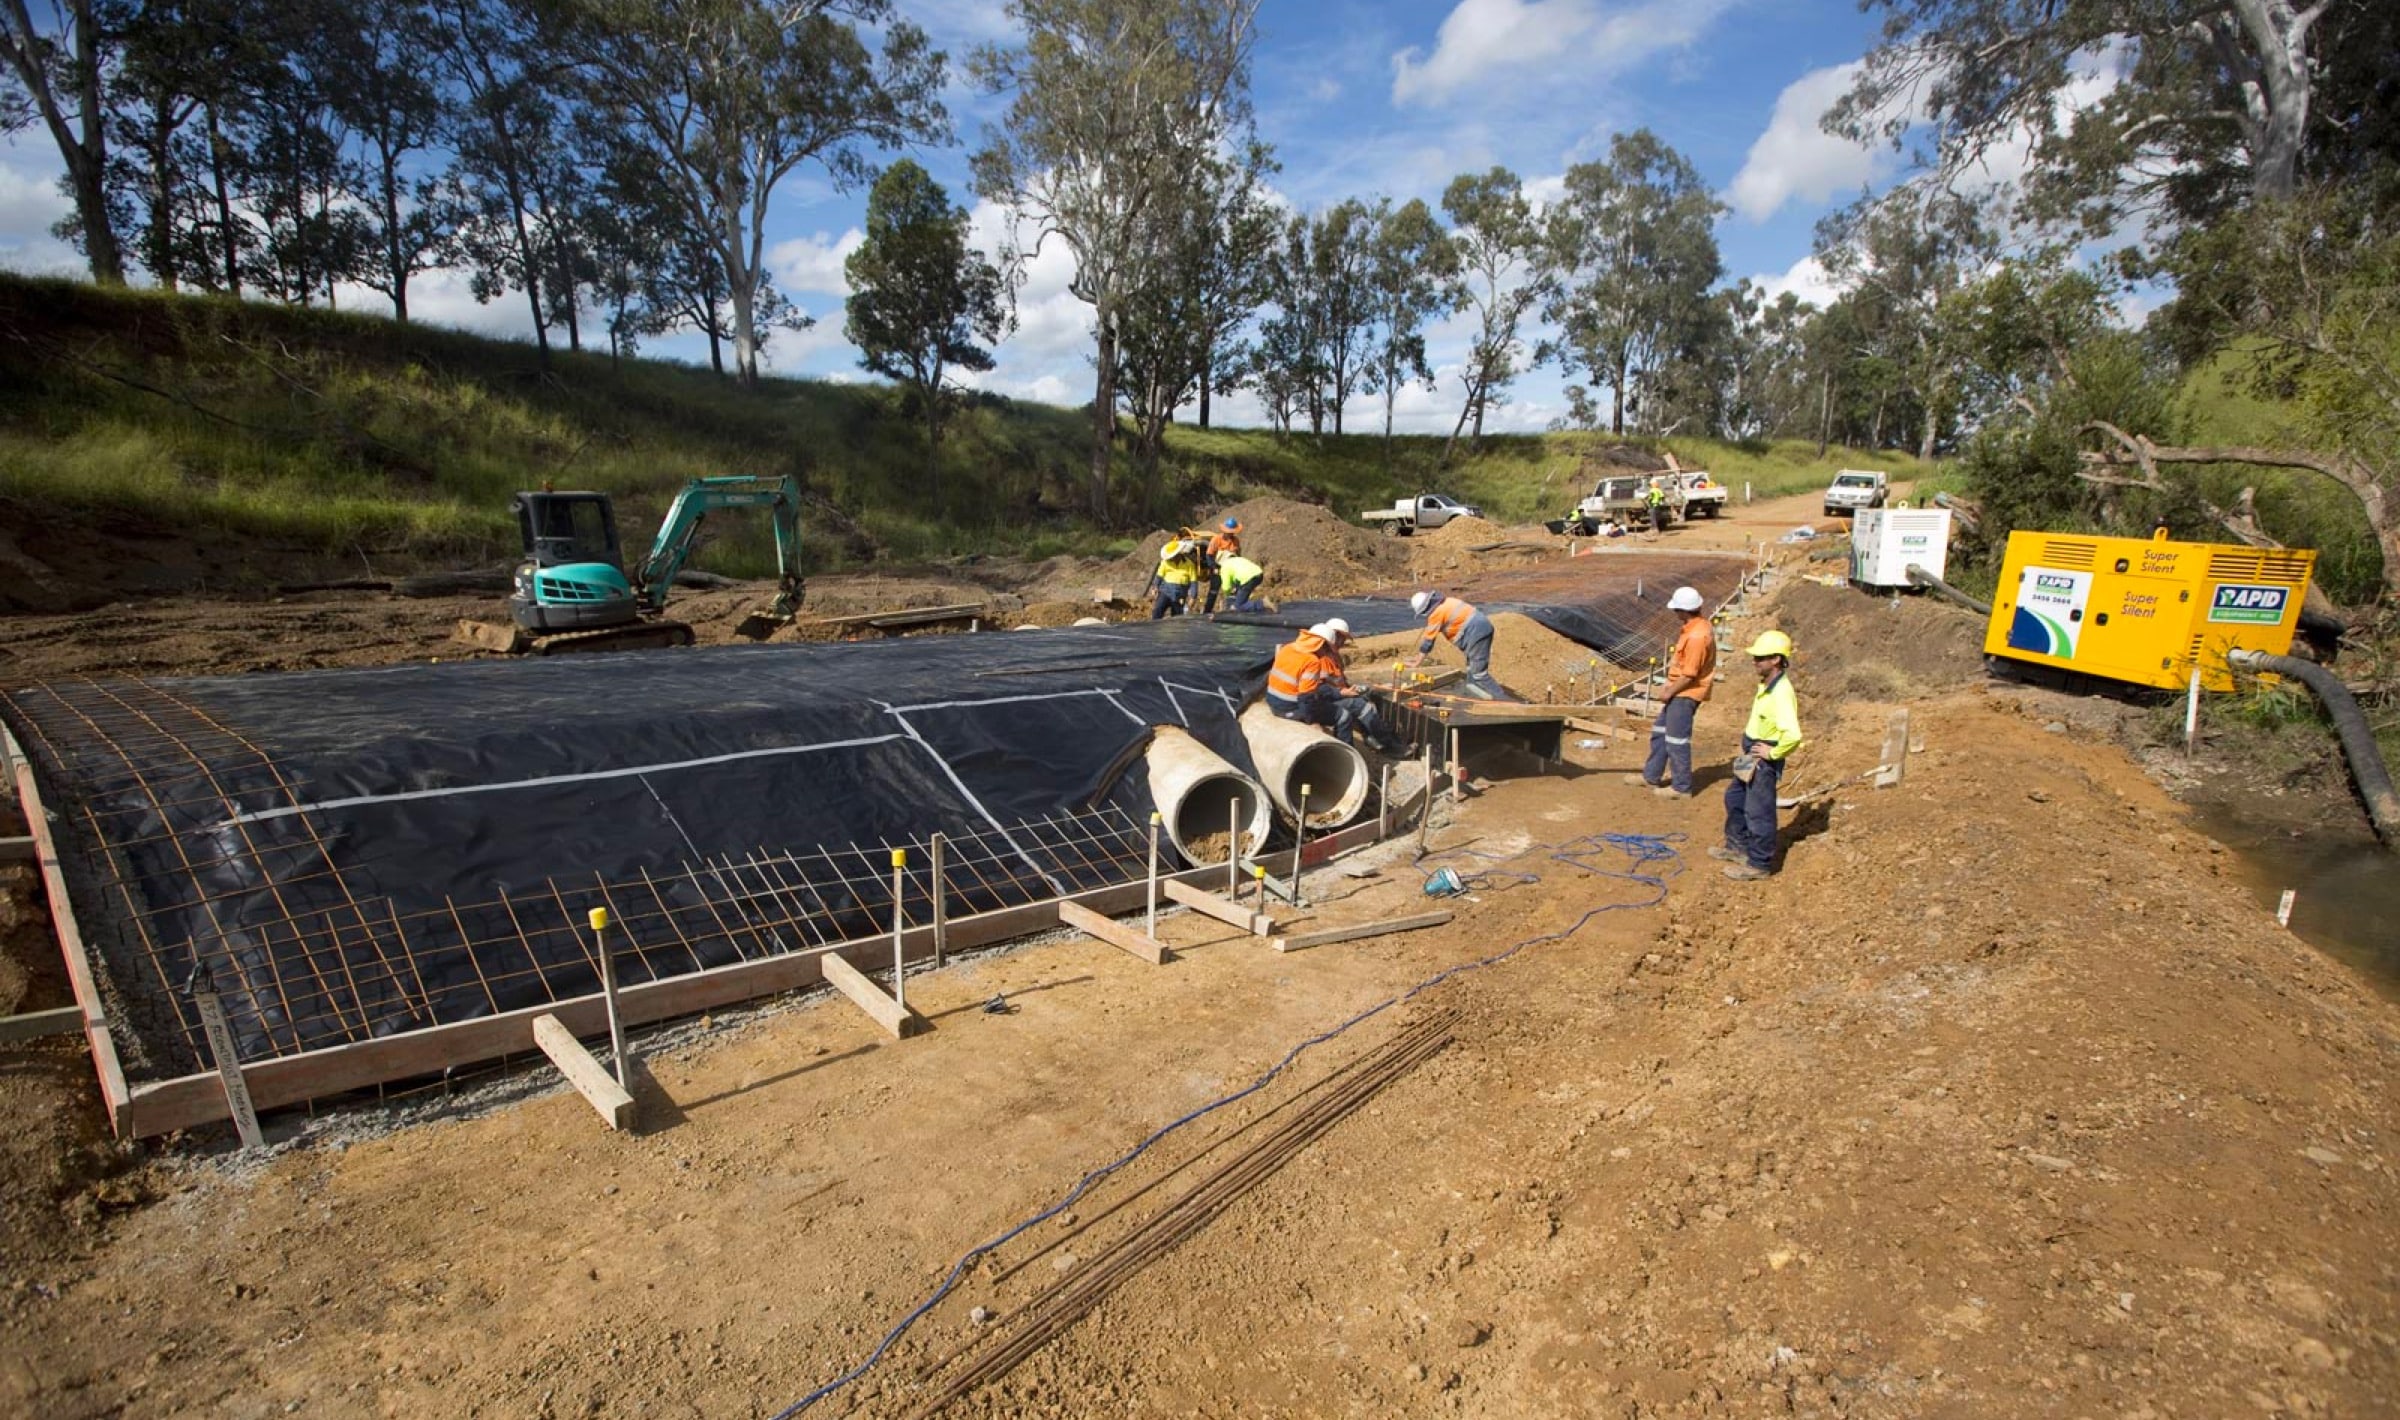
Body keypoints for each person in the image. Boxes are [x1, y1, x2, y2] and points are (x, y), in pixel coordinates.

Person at [1714, 630, 1803, 881]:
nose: (1755, 662)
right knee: (1734, 797)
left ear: (1776, 659)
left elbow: (1793, 735)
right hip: (1750, 754)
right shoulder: (1767, 685)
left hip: (1763, 759)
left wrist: (1773, 753)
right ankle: (1738, 847)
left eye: (1760, 658)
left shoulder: (1781, 693)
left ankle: (1759, 863)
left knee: (1758, 810)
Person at [1265, 618, 1404, 754]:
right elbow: (1308, 696)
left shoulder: (1289, 648)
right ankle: (1350, 756)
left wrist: (1344, 689)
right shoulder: (1312, 660)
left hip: (1277, 702)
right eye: (1328, 647)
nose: (1327, 651)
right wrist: (1312, 721)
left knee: (1361, 703)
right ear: (1321, 644)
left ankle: (1373, 739)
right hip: (1293, 707)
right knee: (1345, 715)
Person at [1636, 586, 1714, 797]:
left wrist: (1669, 692)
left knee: (1677, 740)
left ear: (1684, 610)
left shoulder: (1697, 636)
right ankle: (1651, 775)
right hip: (1678, 689)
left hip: (1686, 693)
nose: (1674, 614)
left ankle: (1681, 787)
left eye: (1676, 610)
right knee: (1661, 733)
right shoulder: (1692, 628)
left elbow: (1690, 674)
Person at [1407, 590, 1511, 700]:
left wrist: (1418, 661)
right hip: (1482, 626)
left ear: (1424, 609)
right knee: (1471, 665)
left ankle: (1504, 700)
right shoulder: (1448, 601)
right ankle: (1475, 689)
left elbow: (1428, 641)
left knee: (1479, 674)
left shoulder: (1436, 614)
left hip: (1476, 632)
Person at [1149, 538, 1201, 619]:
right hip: (1165, 592)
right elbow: (1158, 577)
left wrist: (1193, 597)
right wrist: (1155, 587)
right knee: (1157, 611)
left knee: (1177, 618)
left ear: (1177, 554)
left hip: (1180, 594)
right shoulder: (1165, 563)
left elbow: (1193, 582)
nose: (1170, 559)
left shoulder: (1189, 565)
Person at [1201, 517, 1243, 613]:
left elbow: (1237, 554)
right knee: (1213, 591)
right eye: (1230, 532)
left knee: (1233, 589)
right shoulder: (1216, 539)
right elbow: (1209, 555)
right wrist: (1214, 567)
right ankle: (1207, 611)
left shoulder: (1235, 540)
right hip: (1217, 567)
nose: (1231, 534)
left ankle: (1232, 609)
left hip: (1231, 568)